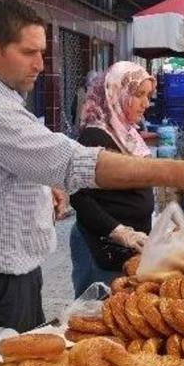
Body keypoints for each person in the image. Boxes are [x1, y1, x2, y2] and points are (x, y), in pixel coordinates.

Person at [0, 0, 184, 335]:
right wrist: (173, 171)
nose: (39, 65)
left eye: (41, 53)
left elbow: (8, 163)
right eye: (28, 53)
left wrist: (45, 187)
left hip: (5, 272)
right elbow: (72, 162)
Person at [69, 63, 156, 296]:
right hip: (101, 246)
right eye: (138, 95)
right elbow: (80, 196)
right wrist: (118, 231)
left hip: (127, 248)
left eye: (147, 96)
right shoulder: (95, 135)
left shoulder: (127, 132)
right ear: (116, 93)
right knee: (95, 313)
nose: (145, 104)